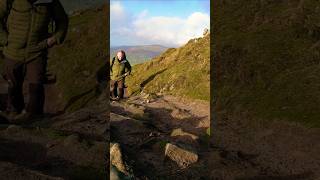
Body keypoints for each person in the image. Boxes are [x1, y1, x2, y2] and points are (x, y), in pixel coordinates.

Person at [0, 0, 69, 123]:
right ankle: (14, 113)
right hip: (12, 51)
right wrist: (5, 40)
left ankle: (34, 118)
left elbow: (62, 20)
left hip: (37, 52)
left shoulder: (49, 1)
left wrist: (55, 38)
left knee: (36, 85)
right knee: (13, 85)